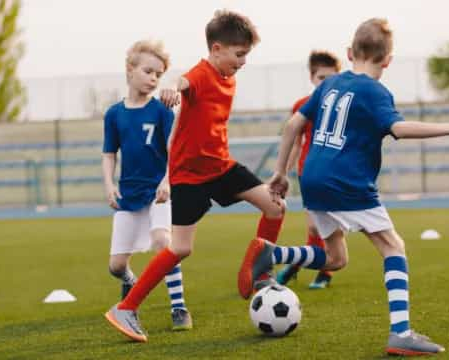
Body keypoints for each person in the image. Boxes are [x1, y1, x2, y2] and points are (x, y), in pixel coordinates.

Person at [242, 18, 449, 355]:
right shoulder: (375, 91)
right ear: (388, 60)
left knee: (335, 258)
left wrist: (280, 172)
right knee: (393, 247)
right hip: (347, 182)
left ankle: (273, 253)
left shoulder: (329, 84)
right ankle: (401, 333)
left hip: (313, 180)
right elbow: (400, 129)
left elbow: (293, 124)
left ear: (349, 52)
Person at [105, 10, 328, 342]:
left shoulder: (230, 77)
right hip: (189, 178)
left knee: (275, 206)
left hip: (222, 167)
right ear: (217, 48)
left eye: (246, 56)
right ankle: (126, 307)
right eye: (239, 55)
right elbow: (183, 83)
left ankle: (260, 272)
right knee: (179, 249)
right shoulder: (201, 73)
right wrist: (169, 87)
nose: (242, 62)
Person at [103, 39, 192, 341]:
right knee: (115, 266)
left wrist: (167, 180)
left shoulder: (162, 111)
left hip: (158, 192)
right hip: (129, 196)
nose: (154, 78)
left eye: (158, 74)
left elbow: (174, 149)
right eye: (148, 71)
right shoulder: (114, 114)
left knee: (162, 241)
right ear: (130, 70)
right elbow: (109, 153)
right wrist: (108, 184)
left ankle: (179, 307)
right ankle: (130, 280)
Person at [276, 50, 341, 289]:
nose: (327, 83)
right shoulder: (302, 106)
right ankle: (315, 269)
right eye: (322, 78)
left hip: (336, 173)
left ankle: (305, 267)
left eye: (332, 78)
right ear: (313, 78)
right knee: (315, 225)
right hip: (309, 173)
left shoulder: (341, 107)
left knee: (326, 225)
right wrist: (285, 171)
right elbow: (296, 141)